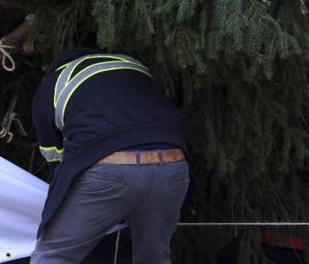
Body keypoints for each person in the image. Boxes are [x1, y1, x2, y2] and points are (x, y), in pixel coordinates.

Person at [31, 48, 191, 264]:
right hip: (173, 165)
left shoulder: (54, 82)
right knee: (153, 258)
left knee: (54, 255)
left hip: (108, 168)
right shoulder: (133, 66)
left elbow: (55, 157)